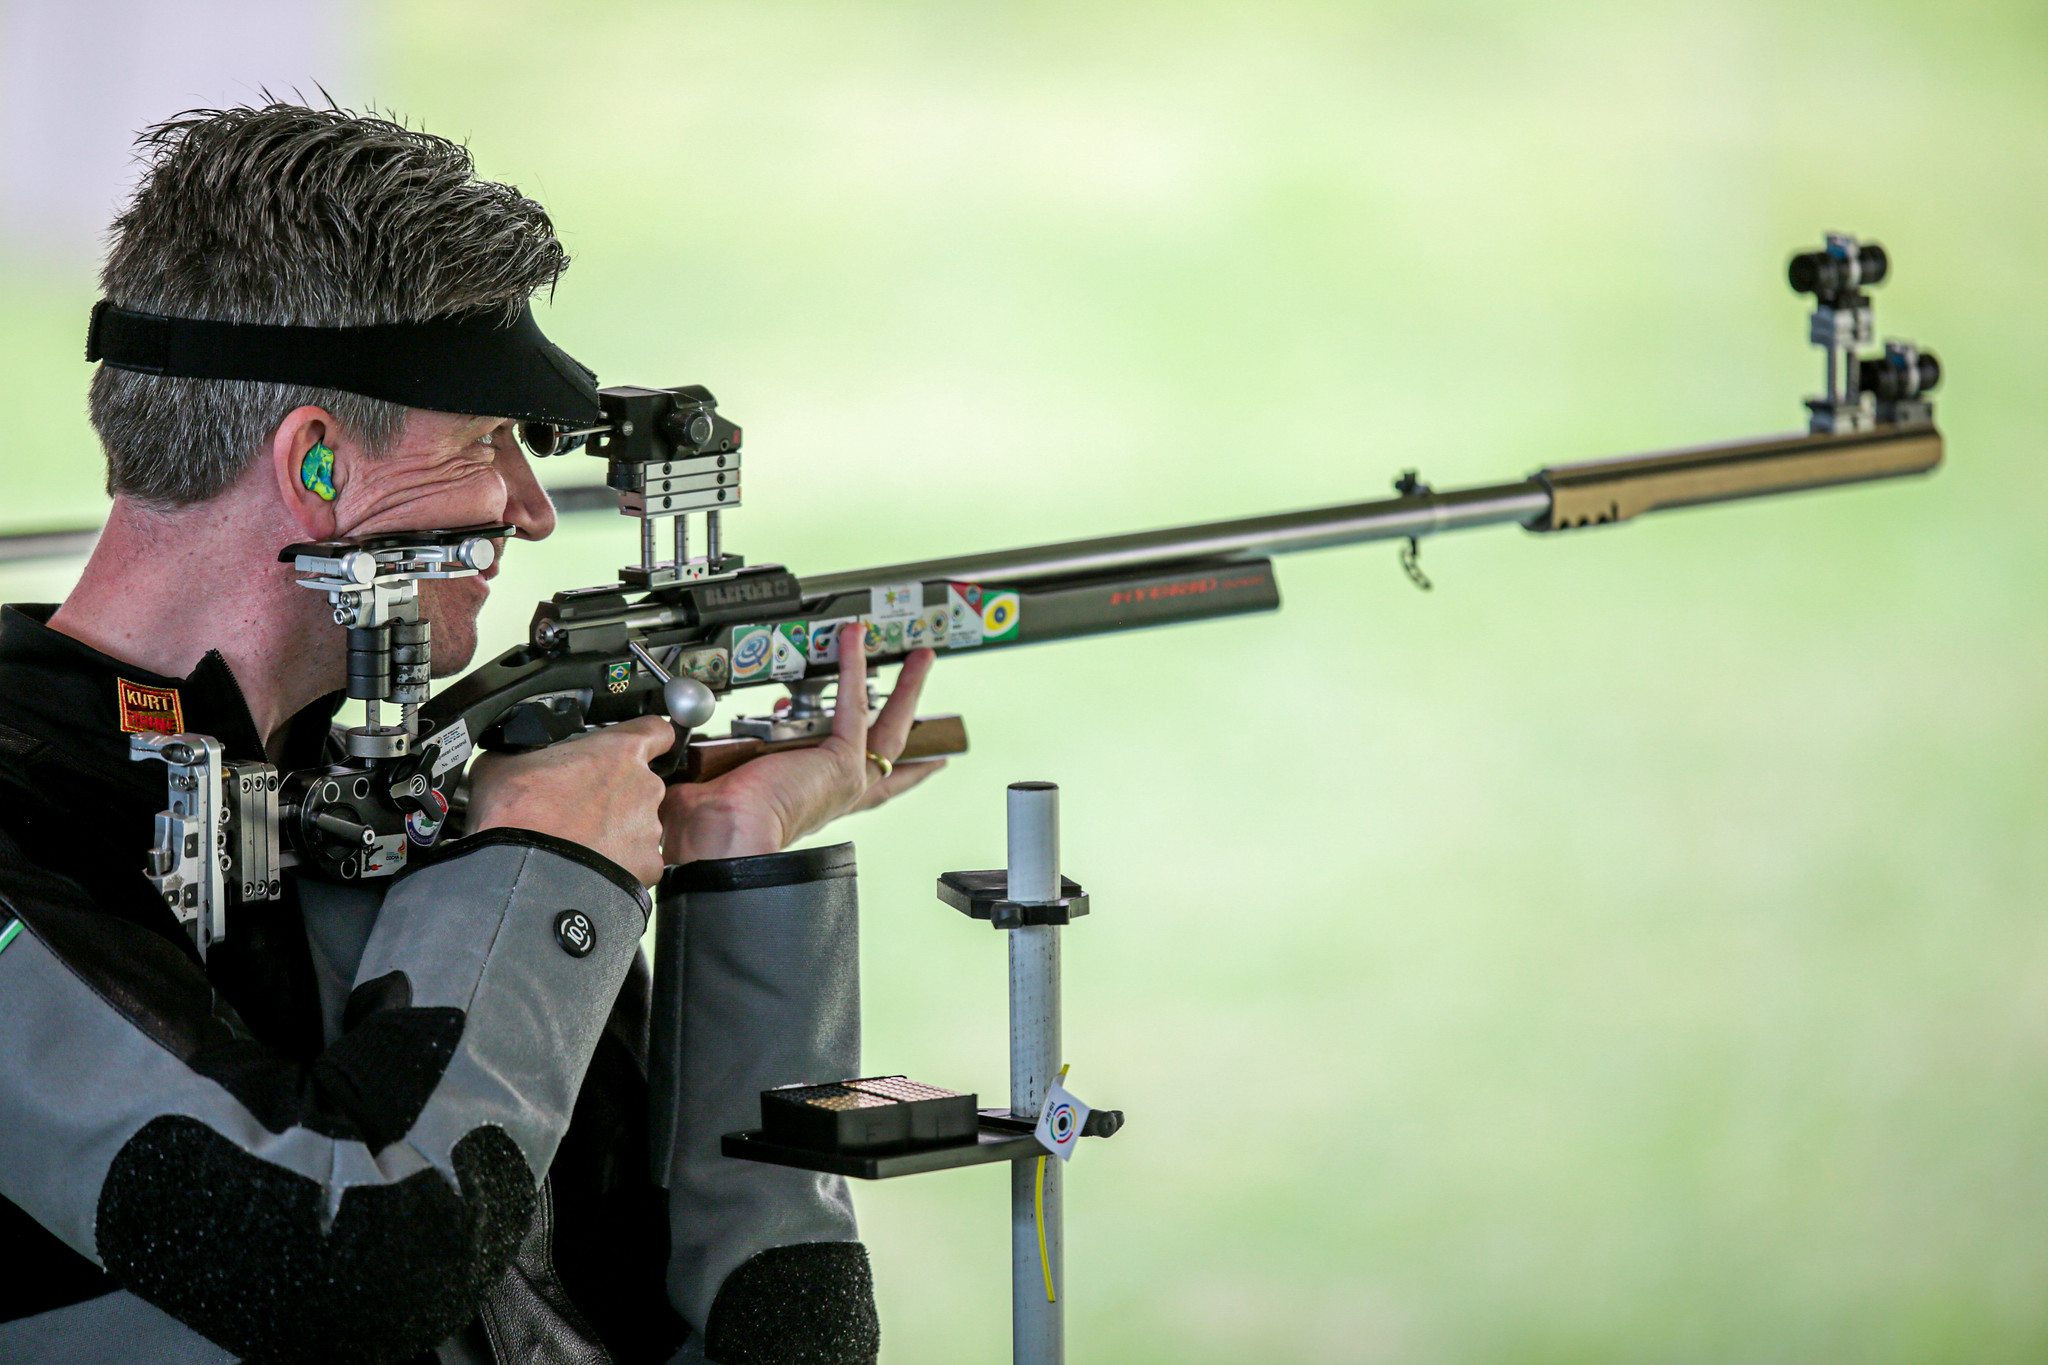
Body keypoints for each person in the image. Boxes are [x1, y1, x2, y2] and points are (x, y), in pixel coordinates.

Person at [0, 103, 940, 1365]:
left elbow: (769, 1330)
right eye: (485, 443)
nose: (531, 511)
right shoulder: (36, 818)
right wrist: (542, 877)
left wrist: (743, 869)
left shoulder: (420, 787)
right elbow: (340, 1274)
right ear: (318, 466)